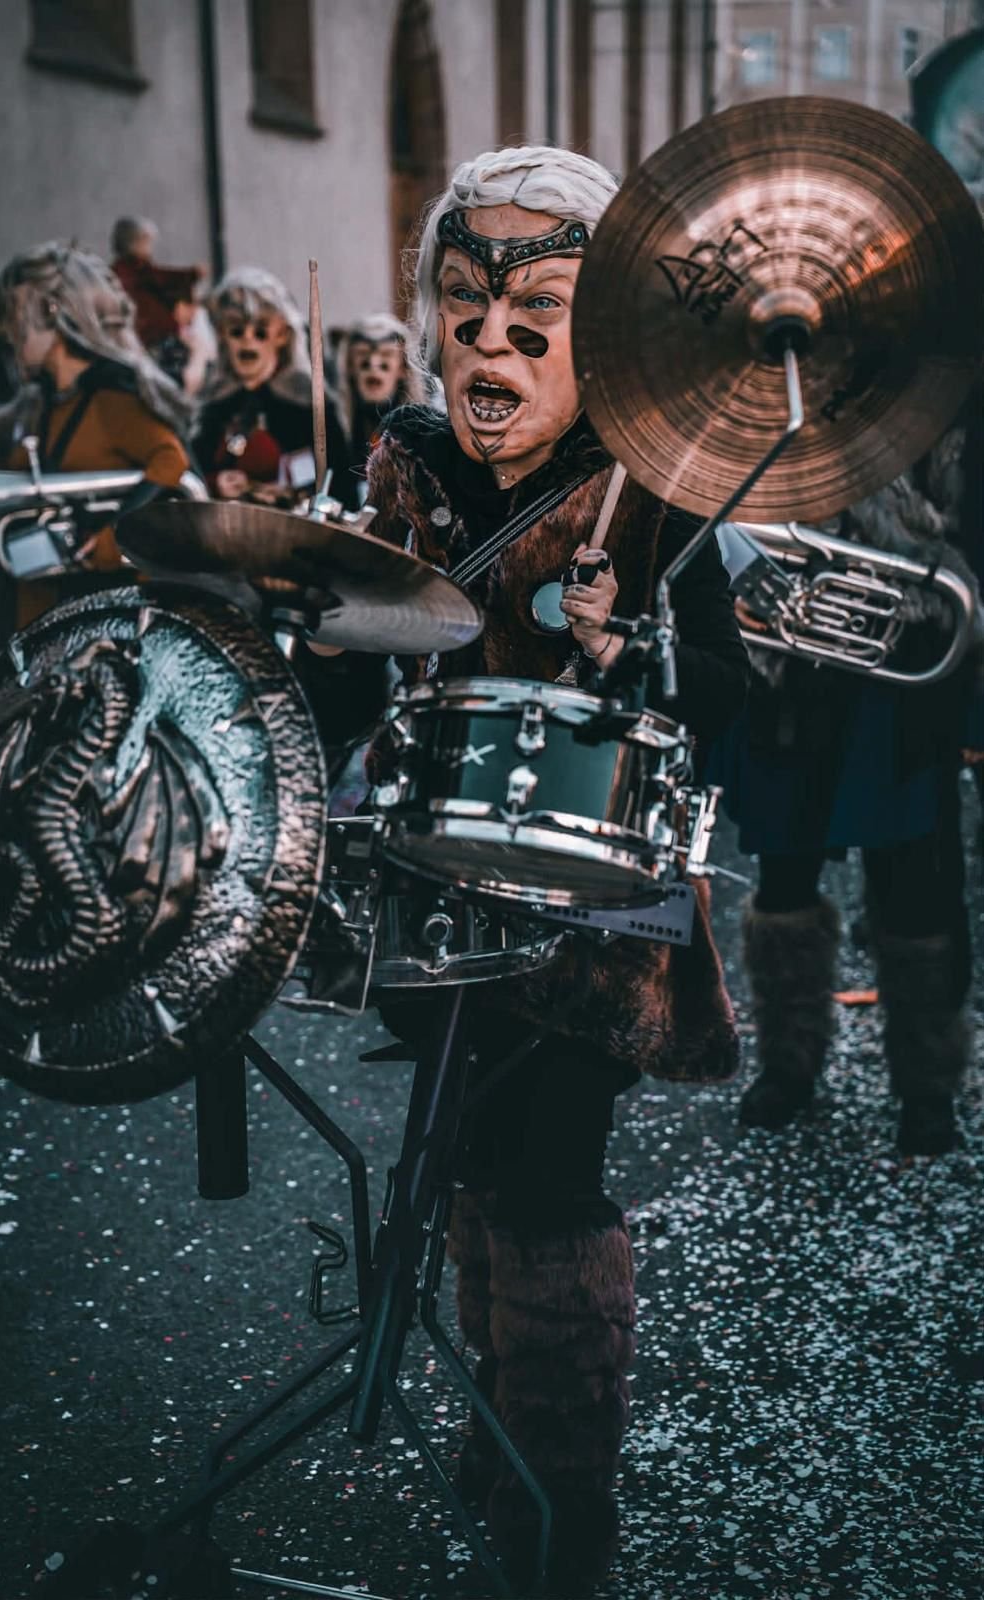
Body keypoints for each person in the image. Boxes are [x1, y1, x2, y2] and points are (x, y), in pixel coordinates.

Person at [302, 145, 749, 1596]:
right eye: (462, 306)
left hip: (597, 893)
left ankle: (566, 1503)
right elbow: (361, 634)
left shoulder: (665, 481)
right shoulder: (414, 462)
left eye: (536, 313)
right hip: (437, 871)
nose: (489, 344)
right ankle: (497, 1444)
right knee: (462, 1170)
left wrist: (643, 652)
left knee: (549, 1174)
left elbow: (735, 709)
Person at [709, 403, 984, 1158]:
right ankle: (788, 1066)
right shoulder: (769, 378)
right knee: (783, 877)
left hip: (902, 664)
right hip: (788, 666)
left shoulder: (938, 384)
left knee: (914, 886)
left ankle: (927, 1086)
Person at [0, 241, 194, 626]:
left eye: (16, 316)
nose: (7, 332)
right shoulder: (45, 405)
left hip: (100, 608)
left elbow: (171, 459)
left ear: (55, 315)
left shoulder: (112, 401)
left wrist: (114, 535)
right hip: (50, 602)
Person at [194, 267, 353, 507]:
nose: (247, 339)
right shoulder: (211, 406)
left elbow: (341, 486)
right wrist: (215, 483)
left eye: (260, 331)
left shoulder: (311, 404)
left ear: (282, 335)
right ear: (222, 335)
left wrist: (294, 496)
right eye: (236, 330)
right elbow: (191, 474)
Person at [335, 312, 425, 499]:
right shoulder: (333, 429)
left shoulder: (424, 435)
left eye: (386, 354)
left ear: (403, 368)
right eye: (362, 354)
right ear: (350, 366)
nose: (374, 364)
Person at [110, 216, 204, 358]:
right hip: (148, 341)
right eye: (145, 241)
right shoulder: (129, 270)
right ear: (132, 242)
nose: (149, 247)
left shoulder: (140, 268)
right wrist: (191, 274)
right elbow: (161, 279)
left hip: (156, 339)